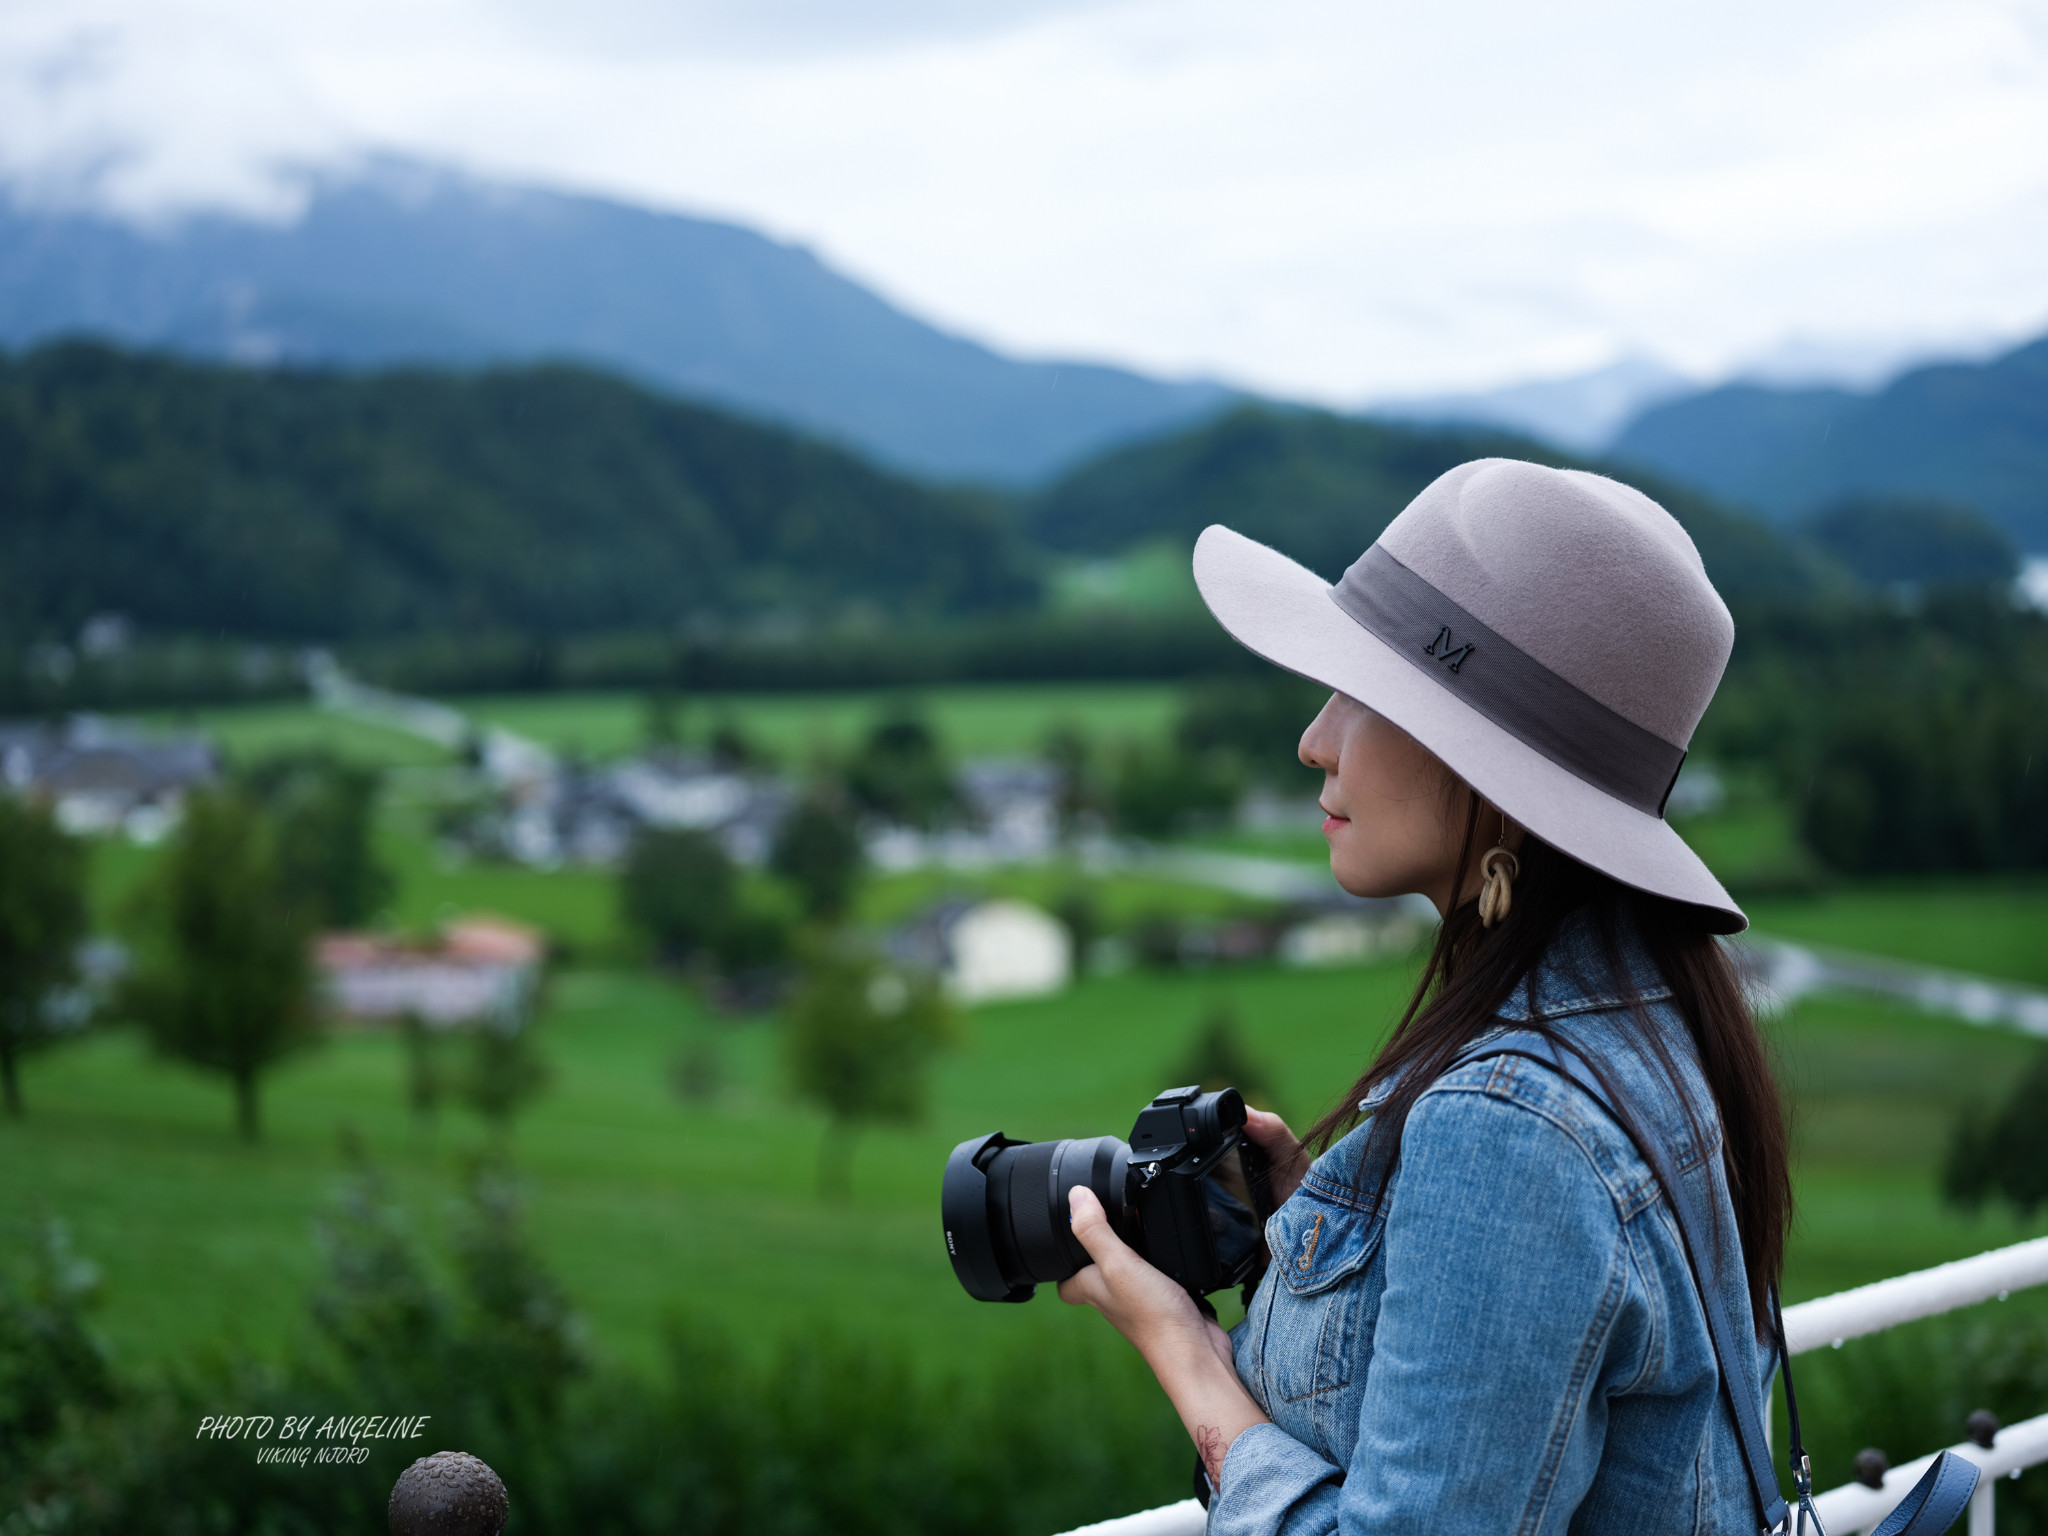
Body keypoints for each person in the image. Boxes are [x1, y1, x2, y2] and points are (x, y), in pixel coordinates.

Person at [1056, 460, 1792, 1535]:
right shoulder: (1647, 1013)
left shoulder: (1506, 1127)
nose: (1314, 738)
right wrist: (1346, 1228)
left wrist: (1188, 1359)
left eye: (1360, 690)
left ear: (1483, 765)